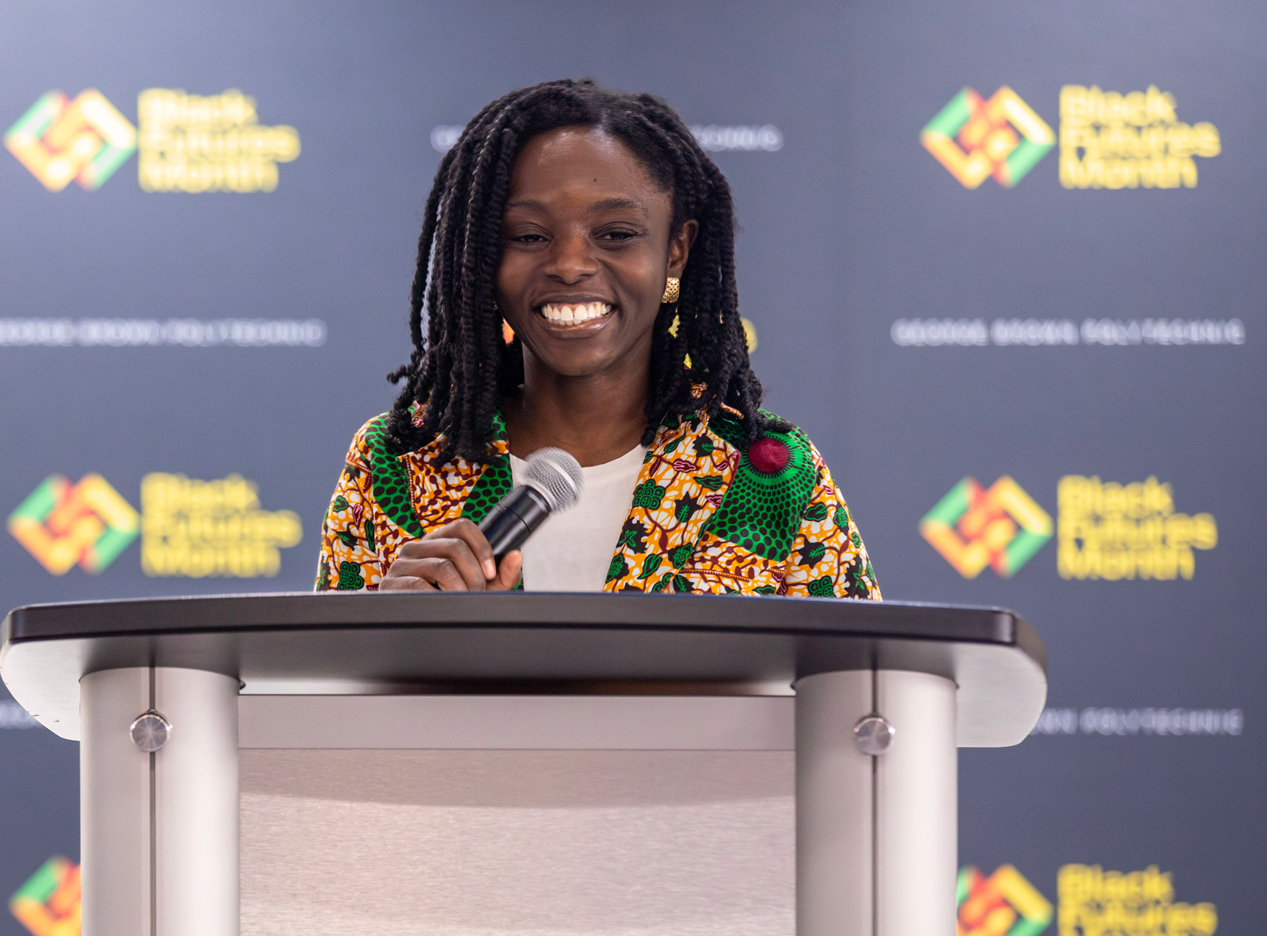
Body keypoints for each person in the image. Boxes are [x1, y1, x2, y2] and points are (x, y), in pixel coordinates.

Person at [315, 80, 879, 599]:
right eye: (529, 236)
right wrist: (388, 636)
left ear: (675, 251)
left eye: (616, 234)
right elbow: (319, 695)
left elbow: (857, 687)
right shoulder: (398, 463)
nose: (569, 264)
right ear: (485, 258)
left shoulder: (770, 476)